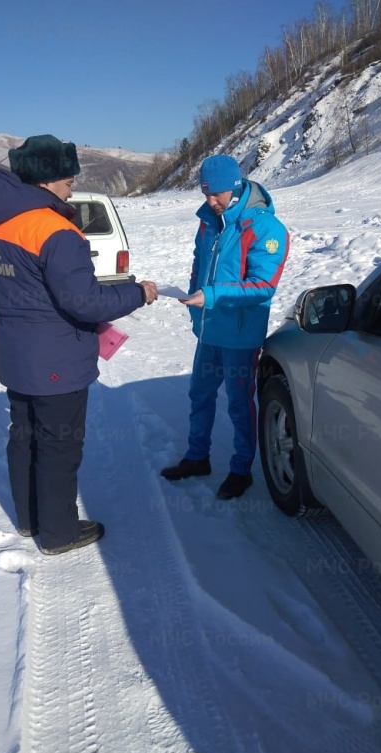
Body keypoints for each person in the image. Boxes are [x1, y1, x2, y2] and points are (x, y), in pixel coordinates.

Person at [0, 134, 158, 555]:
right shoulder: (54, 229)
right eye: (66, 174)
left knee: (24, 436)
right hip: (56, 359)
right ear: (45, 178)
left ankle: (29, 519)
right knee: (58, 446)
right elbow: (85, 301)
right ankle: (58, 533)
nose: (72, 181)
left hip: (16, 353)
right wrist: (137, 293)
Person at [161, 154, 289, 499]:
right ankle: (197, 457)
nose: (210, 201)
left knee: (238, 402)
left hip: (240, 335)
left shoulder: (265, 228)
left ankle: (241, 468)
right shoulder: (208, 222)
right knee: (199, 394)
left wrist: (212, 295)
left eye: (215, 194)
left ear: (234, 187)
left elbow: (263, 286)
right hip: (210, 329)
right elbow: (198, 264)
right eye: (204, 193)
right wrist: (193, 296)